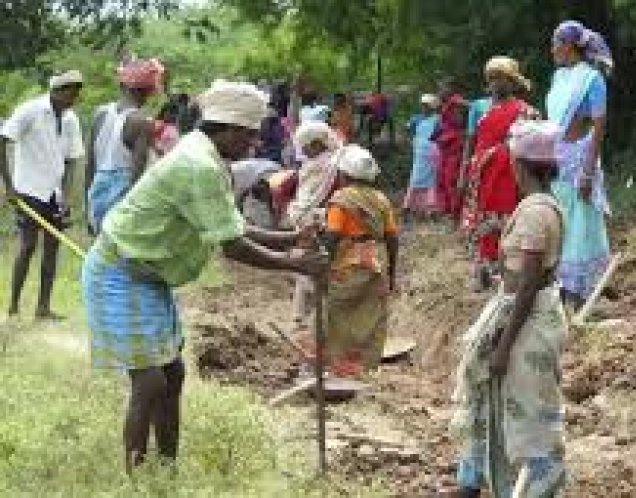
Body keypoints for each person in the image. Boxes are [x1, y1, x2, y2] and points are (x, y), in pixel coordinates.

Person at [81, 80, 327, 473]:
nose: (252, 146)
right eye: (249, 137)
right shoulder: (197, 164)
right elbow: (232, 245)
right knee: (149, 383)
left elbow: (232, 225)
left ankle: (167, 470)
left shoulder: (209, 157)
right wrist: (296, 263)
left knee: (173, 373)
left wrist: (290, 239)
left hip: (149, 275)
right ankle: (137, 479)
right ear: (227, 129)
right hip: (120, 272)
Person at [451, 120, 567, 497]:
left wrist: (503, 347)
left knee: (529, 413)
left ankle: (532, 488)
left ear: (519, 165)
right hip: (522, 314)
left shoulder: (536, 212)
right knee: (503, 403)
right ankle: (492, 482)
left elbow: (530, 282)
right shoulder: (537, 206)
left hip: (527, 320)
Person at [0, 70, 85, 319]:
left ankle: (43, 308)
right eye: (72, 92)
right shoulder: (30, 110)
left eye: (78, 92)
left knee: (52, 248)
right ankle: (14, 308)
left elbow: (71, 160)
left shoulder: (70, 119)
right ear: (57, 90)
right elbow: (3, 140)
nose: (75, 97)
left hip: (53, 193)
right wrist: (8, 186)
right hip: (28, 190)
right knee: (27, 246)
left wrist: (67, 198)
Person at [546, 20, 613, 312]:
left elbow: (598, 126)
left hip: (580, 158)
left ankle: (583, 293)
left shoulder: (592, 79)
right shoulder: (559, 78)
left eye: (556, 43)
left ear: (570, 46)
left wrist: (588, 170)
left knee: (583, 225)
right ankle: (563, 287)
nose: (552, 50)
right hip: (558, 157)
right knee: (562, 220)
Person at [461, 57, 538, 292]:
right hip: (485, 176)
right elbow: (475, 143)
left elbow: (533, 148)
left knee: (511, 221)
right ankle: (485, 270)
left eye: (500, 78)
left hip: (513, 175)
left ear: (513, 82)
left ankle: (510, 272)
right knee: (486, 225)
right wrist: (468, 170)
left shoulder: (526, 111)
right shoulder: (484, 111)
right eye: (491, 78)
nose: (495, 84)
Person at [321, 144, 399, 376]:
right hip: (376, 263)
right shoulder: (381, 199)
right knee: (371, 316)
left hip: (347, 265)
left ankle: (339, 366)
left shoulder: (341, 200)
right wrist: (392, 271)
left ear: (344, 175)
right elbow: (392, 238)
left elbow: (333, 236)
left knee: (338, 315)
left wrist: (322, 264)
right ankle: (364, 367)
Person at [86, 58, 164, 234]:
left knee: (101, 251)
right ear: (149, 91)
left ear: (122, 86)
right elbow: (137, 176)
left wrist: (87, 205)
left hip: (98, 189)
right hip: (123, 194)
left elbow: (89, 165)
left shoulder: (100, 113)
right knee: (122, 255)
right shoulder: (142, 121)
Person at [284, 121, 342, 331]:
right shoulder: (315, 165)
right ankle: (301, 318)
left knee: (314, 270)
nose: (303, 151)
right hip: (308, 223)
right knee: (305, 269)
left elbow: (323, 199)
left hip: (323, 225)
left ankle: (316, 322)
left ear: (317, 144)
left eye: (305, 146)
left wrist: (308, 216)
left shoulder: (331, 166)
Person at [403, 94, 441, 220]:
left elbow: (438, 133)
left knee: (431, 179)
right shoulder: (416, 118)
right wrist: (411, 140)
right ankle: (410, 207)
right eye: (423, 105)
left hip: (432, 151)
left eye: (427, 105)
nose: (424, 107)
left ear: (432, 107)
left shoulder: (438, 119)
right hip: (419, 150)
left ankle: (430, 209)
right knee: (415, 178)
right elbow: (407, 129)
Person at [433, 81, 467, 223]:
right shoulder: (444, 105)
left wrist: (457, 111)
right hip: (444, 145)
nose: (440, 91)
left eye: (443, 88)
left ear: (451, 89)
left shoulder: (455, 100)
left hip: (454, 143)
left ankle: (455, 212)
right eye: (439, 89)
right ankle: (445, 209)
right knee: (441, 177)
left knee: (451, 178)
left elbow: (467, 106)